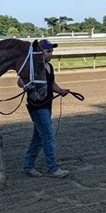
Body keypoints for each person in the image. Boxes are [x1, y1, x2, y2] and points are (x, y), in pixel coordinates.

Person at [20, 39, 70, 178]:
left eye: (52, 51)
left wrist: (60, 91)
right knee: (48, 136)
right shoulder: (33, 66)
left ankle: (28, 166)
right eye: (48, 51)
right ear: (40, 52)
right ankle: (53, 168)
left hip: (47, 105)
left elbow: (51, 82)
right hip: (37, 107)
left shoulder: (49, 67)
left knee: (38, 138)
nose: (51, 54)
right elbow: (20, 81)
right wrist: (27, 85)